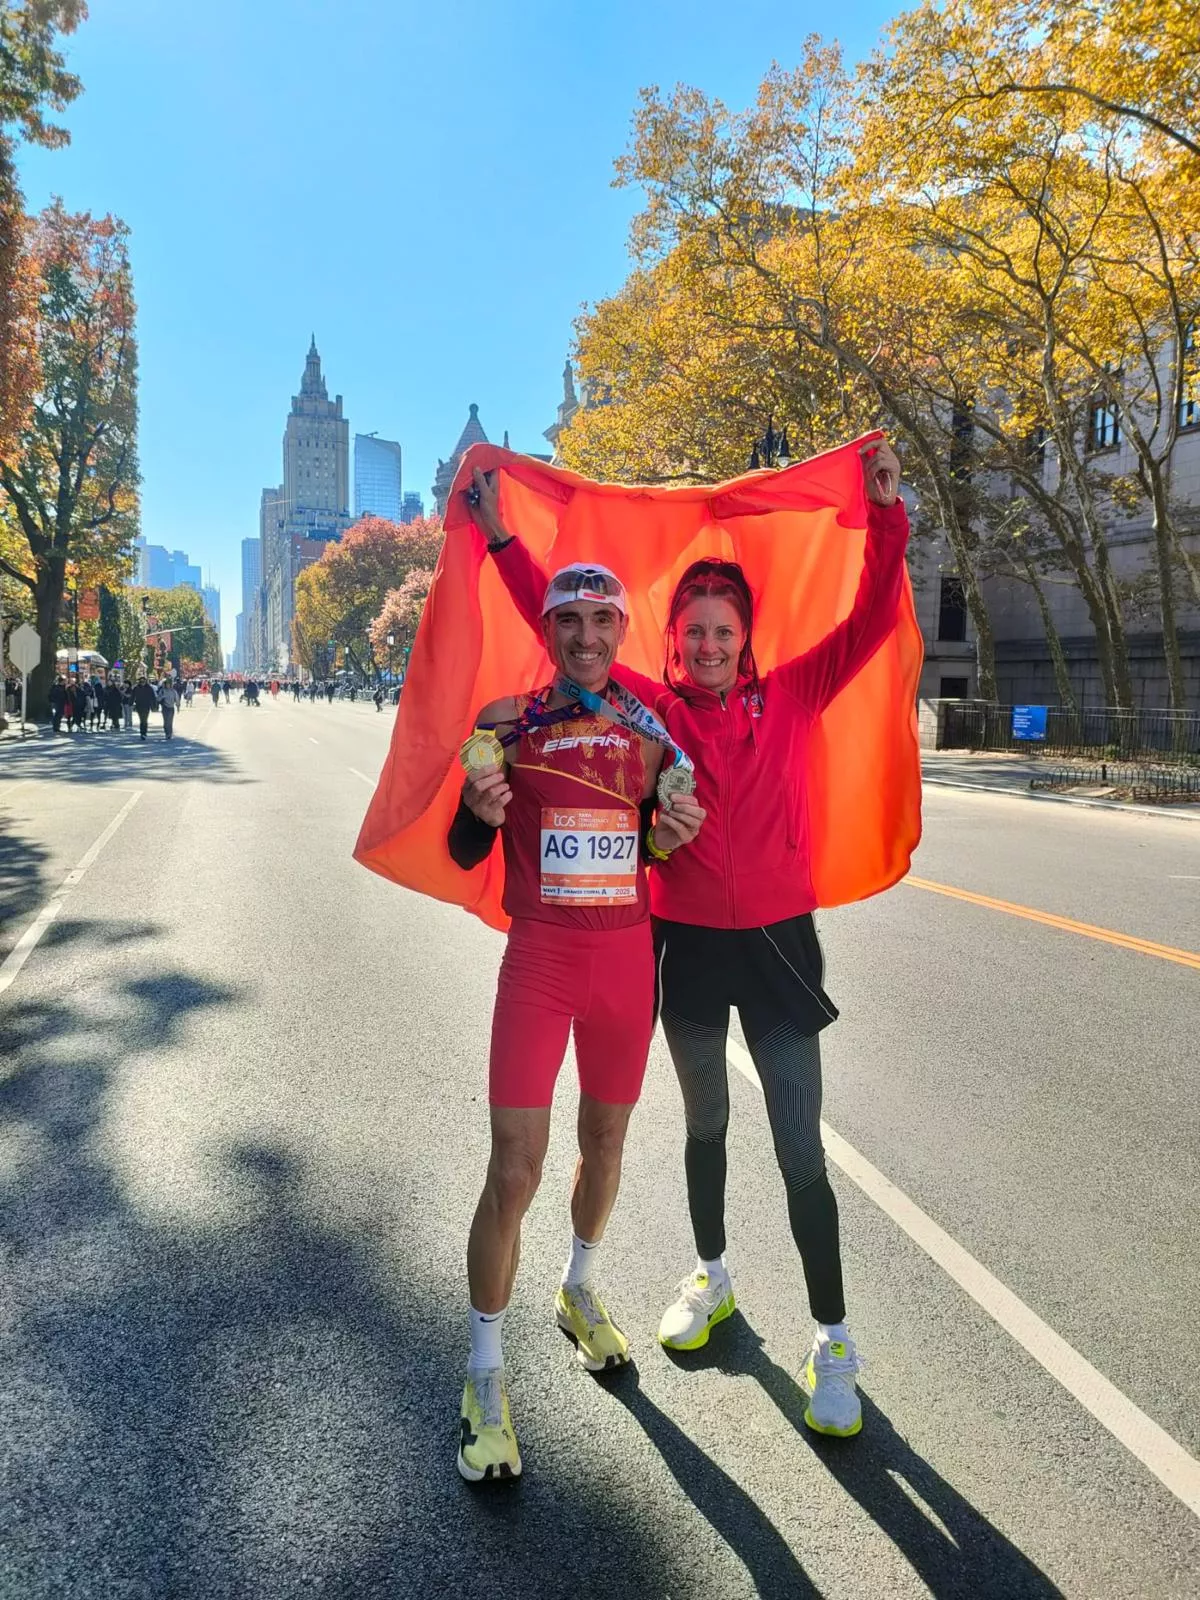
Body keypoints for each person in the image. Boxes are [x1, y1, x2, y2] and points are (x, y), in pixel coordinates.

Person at [468, 437, 909, 1440]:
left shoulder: (794, 692)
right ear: (673, 647)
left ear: (745, 639)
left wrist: (886, 519)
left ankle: (832, 1338)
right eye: (694, 633)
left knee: (801, 1145)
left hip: (783, 945)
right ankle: (711, 1277)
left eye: (723, 632)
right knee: (702, 1125)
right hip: (687, 948)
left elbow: (874, 615)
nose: (708, 645)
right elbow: (574, 636)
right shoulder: (650, 707)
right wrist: (501, 541)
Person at [447, 562, 705, 1483]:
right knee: (513, 1171)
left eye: (604, 620)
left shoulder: (651, 738)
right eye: (571, 621)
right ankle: (483, 1374)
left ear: (621, 632)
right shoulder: (505, 726)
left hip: (625, 964)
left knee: (605, 1146)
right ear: (549, 630)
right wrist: (477, 814)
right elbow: (464, 843)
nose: (588, 637)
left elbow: (650, 848)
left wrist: (669, 835)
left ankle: (578, 1288)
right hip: (542, 963)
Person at [132, 672, 157, 741]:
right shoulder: (136, 688)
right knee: (141, 720)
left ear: (146, 681)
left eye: (143, 681)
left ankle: (144, 732)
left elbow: (153, 697)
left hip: (146, 706)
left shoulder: (149, 688)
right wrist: (131, 703)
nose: (142, 682)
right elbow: (132, 696)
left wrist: (154, 706)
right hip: (139, 706)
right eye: (141, 681)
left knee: (145, 720)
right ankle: (142, 733)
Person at [158, 673, 179, 739]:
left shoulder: (173, 691)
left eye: (168, 684)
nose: (167, 685)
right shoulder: (162, 691)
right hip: (165, 708)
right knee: (165, 722)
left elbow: (177, 699)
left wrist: (178, 706)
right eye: (166, 684)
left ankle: (169, 733)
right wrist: (162, 697)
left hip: (171, 708)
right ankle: (166, 732)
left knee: (170, 722)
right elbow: (158, 699)